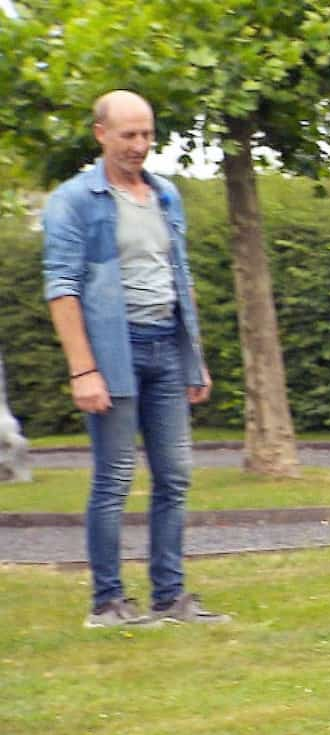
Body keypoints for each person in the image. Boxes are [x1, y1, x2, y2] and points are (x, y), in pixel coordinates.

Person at [42, 90, 229, 627]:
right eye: (129, 135)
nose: (140, 145)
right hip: (113, 353)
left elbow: (181, 278)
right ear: (100, 134)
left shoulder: (165, 195)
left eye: (147, 134)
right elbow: (62, 288)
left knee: (175, 476)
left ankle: (170, 598)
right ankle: (108, 603)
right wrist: (83, 369)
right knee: (114, 478)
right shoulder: (75, 200)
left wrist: (196, 359)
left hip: (167, 348)